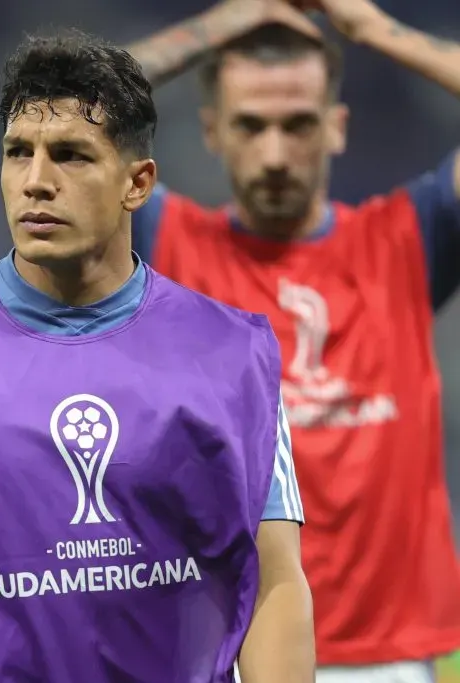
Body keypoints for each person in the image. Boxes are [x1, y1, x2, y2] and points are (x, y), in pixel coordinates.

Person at [0, 30, 314, 683]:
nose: (36, 181)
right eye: (19, 153)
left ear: (138, 183)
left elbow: (273, 583)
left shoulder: (234, 355)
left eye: (70, 155)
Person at [122, 0, 460, 680]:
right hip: (224, 655)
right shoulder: (165, 247)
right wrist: (228, 20)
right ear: (212, 130)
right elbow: (62, 105)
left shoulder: (404, 241)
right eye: (252, 124)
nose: (275, 153)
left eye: (298, 124)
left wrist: (374, 29)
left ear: (337, 128)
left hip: (391, 659)